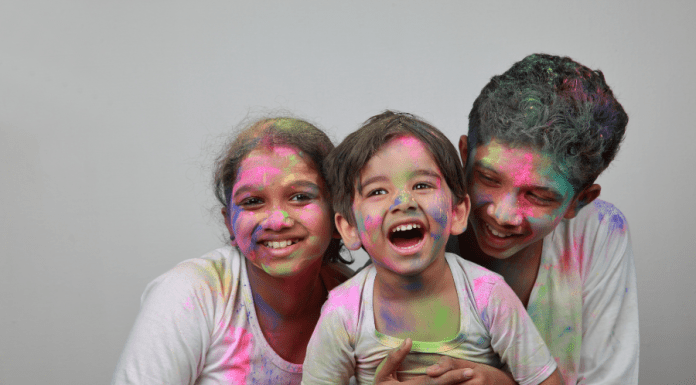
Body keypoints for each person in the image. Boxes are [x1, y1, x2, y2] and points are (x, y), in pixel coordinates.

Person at [302, 111, 564, 385]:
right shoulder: (344, 311)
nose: (403, 202)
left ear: (458, 212)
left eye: (422, 185)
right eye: (377, 191)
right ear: (349, 228)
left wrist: (499, 382)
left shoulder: (487, 295)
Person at [427, 53, 638, 384]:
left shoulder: (598, 232)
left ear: (579, 201)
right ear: (464, 155)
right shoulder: (422, 215)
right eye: (488, 178)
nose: (503, 213)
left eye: (539, 196)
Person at [111, 117, 353, 384]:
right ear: (230, 223)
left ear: (337, 213)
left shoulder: (356, 300)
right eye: (252, 201)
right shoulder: (193, 293)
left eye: (300, 197)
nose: (277, 220)